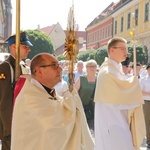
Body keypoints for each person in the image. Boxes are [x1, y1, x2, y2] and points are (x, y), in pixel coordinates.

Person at [11, 53, 94, 150]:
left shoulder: (46, 91)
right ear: (39, 71)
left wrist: (71, 98)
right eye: (54, 66)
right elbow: (52, 125)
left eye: (59, 65)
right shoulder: (29, 96)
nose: (60, 69)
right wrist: (72, 101)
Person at [94, 37, 145, 150]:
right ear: (112, 50)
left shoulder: (115, 68)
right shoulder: (107, 72)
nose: (126, 53)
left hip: (119, 118)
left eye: (126, 49)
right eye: (122, 49)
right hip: (112, 121)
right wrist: (134, 83)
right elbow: (120, 93)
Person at [0, 31, 33, 150]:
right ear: (14, 46)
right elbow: (5, 101)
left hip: (22, 120)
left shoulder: (22, 67)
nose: (28, 49)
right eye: (25, 46)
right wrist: (9, 128)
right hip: (11, 124)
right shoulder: (5, 67)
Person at [75, 59, 97, 131]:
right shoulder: (81, 79)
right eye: (90, 66)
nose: (92, 68)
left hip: (95, 110)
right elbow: (74, 93)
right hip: (82, 108)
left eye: (94, 66)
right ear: (86, 68)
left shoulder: (99, 79)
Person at [140, 63, 150, 149]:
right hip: (147, 102)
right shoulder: (143, 80)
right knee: (147, 121)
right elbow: (140, 92)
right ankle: (149, 140)